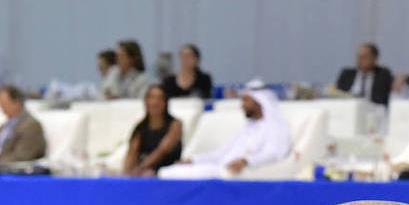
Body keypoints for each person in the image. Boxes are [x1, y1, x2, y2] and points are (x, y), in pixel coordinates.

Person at [160, 87, 289, 179]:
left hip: (235, 172)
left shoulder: (275, 128)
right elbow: (220, 154)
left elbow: (274, 153)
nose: (242, 105)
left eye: (246, 101)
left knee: (170, 174)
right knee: (169, 171)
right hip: (219, 168)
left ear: (259, 103)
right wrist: (194, 160)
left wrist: (247, 161)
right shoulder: (248, 129)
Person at [0, 84, 47, 167]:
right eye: (0, 105)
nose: (2, 109)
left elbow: (23, 156)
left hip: (9, 173)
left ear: (17, 102)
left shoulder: (31, 126)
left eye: (5, 104)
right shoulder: (3, 127)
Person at [124, 85, 184, 176]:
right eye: (151, 98)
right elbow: (132, 154)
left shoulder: (175, 125)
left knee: (148, 174)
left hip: (166, 171)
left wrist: (139, 169)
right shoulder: (140, 127)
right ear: (146, 102)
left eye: (159, 99)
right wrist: (127, 172)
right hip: (142, 170)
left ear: (165, 103)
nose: (155, 102)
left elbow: (162, 150)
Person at [335, 43, 393, 107]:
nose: (360, 60)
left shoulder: (382, 75)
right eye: (359, 57)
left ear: (374, 59)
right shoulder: (347, 74)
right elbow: (338, 94)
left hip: (373, 112)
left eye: (364, 57)